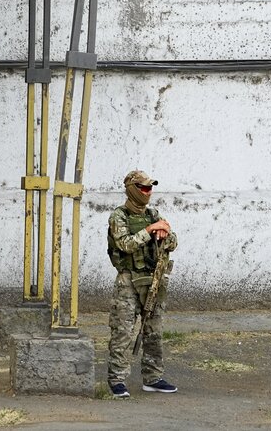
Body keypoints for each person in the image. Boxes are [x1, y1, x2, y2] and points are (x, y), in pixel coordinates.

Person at [106, 169, 178, 397]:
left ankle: (153, 377)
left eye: (150, 188)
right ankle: (117, 379)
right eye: (143, 188)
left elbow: (173, 243)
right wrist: (149, 231)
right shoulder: (119, 216)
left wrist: (165, 233)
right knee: (123, 331)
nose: (148, 192)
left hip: (153, 280)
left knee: (153, 331)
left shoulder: (153, 214)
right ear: (131, 189)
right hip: (128, 280)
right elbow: (125, 245)